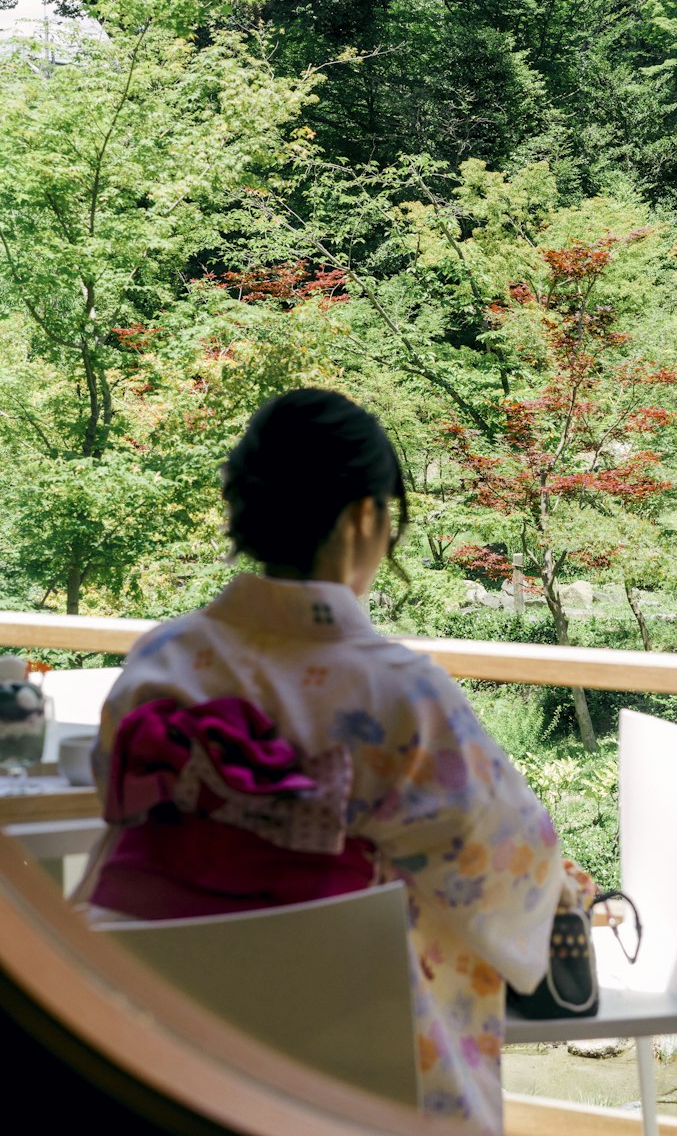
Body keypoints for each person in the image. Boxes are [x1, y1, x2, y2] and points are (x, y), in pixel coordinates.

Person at [81, 388, 564, 1134]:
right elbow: (510, 863)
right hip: (355, 1054)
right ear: (364, 517)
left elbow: (116, 815)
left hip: (161, 1041)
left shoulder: (161, 663)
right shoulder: (404, 695)